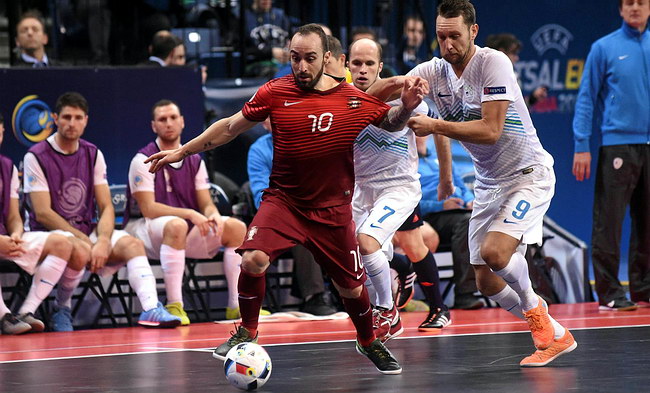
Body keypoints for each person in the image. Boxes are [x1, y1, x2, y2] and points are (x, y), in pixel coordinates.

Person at [146, 24, 428, 374]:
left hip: (333, 211)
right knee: (253, 259)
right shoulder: (275, 92)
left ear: (327, 58)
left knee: (352, 291)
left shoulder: (353, 98)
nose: (302, 67)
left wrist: (408, 107)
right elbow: (230, 126)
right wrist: (182, 151)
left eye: (310, 59)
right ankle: (247, 331)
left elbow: (392, 123)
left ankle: (369, 341)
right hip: (284, 202)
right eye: (295, 58)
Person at [402, 0, 576, 367]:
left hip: (528, 176)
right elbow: (396, 87)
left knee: (497, 254)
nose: (447, 44)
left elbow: (491, 131)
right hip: (488, 185)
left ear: (473, 32)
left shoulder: (493, 62)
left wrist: (435, 125)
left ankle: (537, 317)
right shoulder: (434, 72)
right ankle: (556, 333)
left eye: (455, 36)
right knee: (485, 282)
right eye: (441, 36)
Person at [23, 92, 181, 331]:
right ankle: (62, 307)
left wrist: (104, 240)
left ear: (86, 120)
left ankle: (151, 308)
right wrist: (86, 241)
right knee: (78, 248)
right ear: (55, 118)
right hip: (48, 234)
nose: (72, 123)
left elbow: (106, 206)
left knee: (132, 244)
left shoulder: (93, 153)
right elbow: (43, 212)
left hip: (86, 232)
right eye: (66, 117)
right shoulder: (36, 155)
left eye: (78, 117)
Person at [349, 38, 449, 337]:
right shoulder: (343, 97)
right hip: (361, 190)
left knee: (407, 244)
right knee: (358, 251)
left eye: (369, 64)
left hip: (398, 187)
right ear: (347, 65)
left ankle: (433, 309)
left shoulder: (401, 97)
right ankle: (402, 271)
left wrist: (446, 178)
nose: (363, 70)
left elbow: (438, 131)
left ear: (379, 66)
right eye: (357, 63)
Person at [124, 99, 248, 324]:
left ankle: (236, 305)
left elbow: (205, 203)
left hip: (181, 232)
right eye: (162, 119)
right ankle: (175, 305)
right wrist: (190, 214)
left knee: (236, 228)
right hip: (147, 232)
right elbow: (148, 209)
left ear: (182, 122)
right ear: (154, 126)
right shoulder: (142, 159)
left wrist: (213, 213)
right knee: (177, 224)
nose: (168, 123)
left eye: (173, 118)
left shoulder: (194, 160)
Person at [572, 0, 650, 311]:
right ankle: (609, 292)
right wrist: (581, 144)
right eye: (628, 3)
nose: (635, 7)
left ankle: (644, 286)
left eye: (641, 2)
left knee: (647, 223)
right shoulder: (604, 47)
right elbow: (587, 97)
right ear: (620, 9)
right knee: (609, 223)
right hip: (617, 145)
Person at [247, 118, 337, 316]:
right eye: (272, 117)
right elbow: (260, 195)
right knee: (301, 228)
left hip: (316, 207)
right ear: (264, 124)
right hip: (278, 214)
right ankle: (314, 297)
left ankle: (348, 292)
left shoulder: (308, 142)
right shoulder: (259, 151)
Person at [0, 113, 76, 334]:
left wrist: (15, 233)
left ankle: (26, 311)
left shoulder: (8, 167)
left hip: (7, 239)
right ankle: (4, 316)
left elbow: (14, 216)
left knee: (62, 243)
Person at [416, 135, 483, 310]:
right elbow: (410, 202)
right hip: (431, 217)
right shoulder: (406, 161)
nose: (418, 136)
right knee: (467, 223)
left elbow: (460, 184)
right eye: (414, 131)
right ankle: (465, 295)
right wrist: (440, 205)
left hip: (460, 210)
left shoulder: (440, 155)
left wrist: (470, 200)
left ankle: (528, 289)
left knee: (499, 221)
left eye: (421, 132)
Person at [484, 33, 548, 107]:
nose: (517, 58)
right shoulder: (485, 76)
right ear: (502, 52)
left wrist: (532, 99)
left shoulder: (513, 77)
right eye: (513, 53)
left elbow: (515, 109)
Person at [243, 0, 292, 77]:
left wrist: (289, 51)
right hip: (257, 64)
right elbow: (243, 50)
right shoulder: (244, 18)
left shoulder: (280, 16)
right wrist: (270, 52)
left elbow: (290, 39)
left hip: (284, 63)